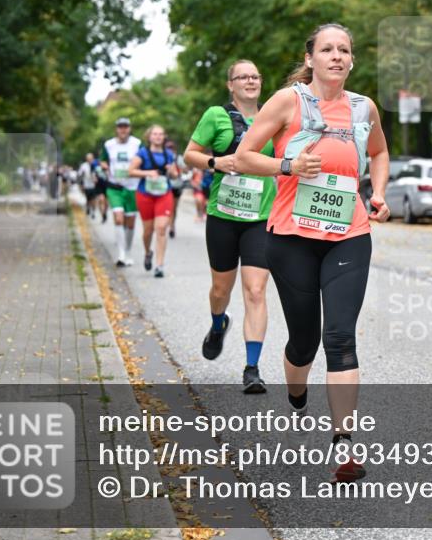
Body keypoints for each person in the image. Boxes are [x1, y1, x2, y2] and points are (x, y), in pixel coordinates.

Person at [235, 23, 390, 482]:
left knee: (340, 337)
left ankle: (344, 445)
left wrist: (377, 192)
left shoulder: (364, 107)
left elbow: (379, 152)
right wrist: (288, 165)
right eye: (328, 49)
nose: (337, 56)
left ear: (352, 60)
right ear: (311, 59)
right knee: (304, 340)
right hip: (291, 238)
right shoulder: (287, 102)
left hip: (348, 234)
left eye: (344, 50)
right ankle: (297, 396)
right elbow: (245, 157)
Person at [184, 59, 276, 393]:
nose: (250, 81)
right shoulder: (215, 116)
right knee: (221, 290)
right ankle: (217, 322)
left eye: (255, 76)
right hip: (223, 217)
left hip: (260, 217)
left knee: (255, 290)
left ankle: (252, 368)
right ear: (231, 84)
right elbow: (189, 154)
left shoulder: (274, 117)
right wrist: (215, 161)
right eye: (243, 77)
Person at [129, 125, 179, 278]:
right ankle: (147, 252)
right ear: (149, 137)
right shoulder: (142, 153)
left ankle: (159, 265)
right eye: (155, 134)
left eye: (161, 134)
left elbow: (176, 175)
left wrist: (171, 171)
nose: (158, 137)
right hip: (145, 195)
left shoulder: (169, 154)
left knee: (161, 228)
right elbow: (130, 171)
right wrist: (147, 173)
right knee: (148, 231)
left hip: (164, 194)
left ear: (164, 137)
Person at [100, 117, 142, 267]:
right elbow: (103, 160)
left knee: (130, 223)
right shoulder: (109, 145)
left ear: (129, 128)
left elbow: (143, 161)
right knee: (118, 218)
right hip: (114, 187)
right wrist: (104, 166)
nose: (123, 129)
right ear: (116, 129)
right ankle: (121, 254)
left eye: (125, 127)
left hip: (132, 187)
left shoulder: (137, 144)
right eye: (120, 127)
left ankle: (128, 251)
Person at [78, 152, 98, 218]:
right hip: (86, 185)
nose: (90, 159)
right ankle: (88, 208)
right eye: (88, 158)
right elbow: (80, 175)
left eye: (91, 158)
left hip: (94, 185)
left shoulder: (96, 165)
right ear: (86, 159)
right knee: (88, 199)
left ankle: (93, 212)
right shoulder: (84, 166)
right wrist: (81, 185)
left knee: (94, 199)